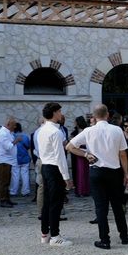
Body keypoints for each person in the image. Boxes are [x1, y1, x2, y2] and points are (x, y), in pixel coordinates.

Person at [67, 104, 128, 249]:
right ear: (107, 115)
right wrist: (126, 173)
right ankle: (124, 236)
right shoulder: (117, 130)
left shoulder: (89, 131)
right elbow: (123, 154)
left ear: (94, 117)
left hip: (96, 171)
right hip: (114, 171)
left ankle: (105, 239)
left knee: (100, 207)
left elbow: (69, 147)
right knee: (117, 206)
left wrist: (85, 154)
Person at [37, 102, 73, 246]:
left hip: (45, 166)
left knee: (47, 202)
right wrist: (66, 177)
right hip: (54, 168)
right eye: (59, 111)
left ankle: (45, 233)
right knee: (56, 203)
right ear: (53, 113)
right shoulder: (56, 132)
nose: (61, 114)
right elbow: (60, 157)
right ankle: (55, 236)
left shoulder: (42, 130)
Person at [0, 116, 23, 208]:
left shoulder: (8, 133)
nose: (15, 127)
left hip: (8, 161)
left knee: (7, 181)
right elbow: (8, 146)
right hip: (3, 161)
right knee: (3, 182)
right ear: (8, 124)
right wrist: (17, 140)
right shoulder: (3, 133)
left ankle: (7, 199)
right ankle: (3, 200)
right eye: (13, 125)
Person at [70, 116, 91, 197]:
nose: (74, 123)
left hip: (85, 153)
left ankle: (85, 190)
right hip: (76, 154)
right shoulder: (74, 132)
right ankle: (79, 190)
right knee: (78, 172)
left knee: (84, 172)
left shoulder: (87, 130)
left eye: (75, 122)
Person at [10, 122, 31, 197]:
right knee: (25, 175)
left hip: (15, 158)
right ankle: (25, 191)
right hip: (25, 157)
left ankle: (13, 191)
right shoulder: (25, 136)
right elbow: (28, 146)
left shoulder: (11, 136)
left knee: (15, 175)